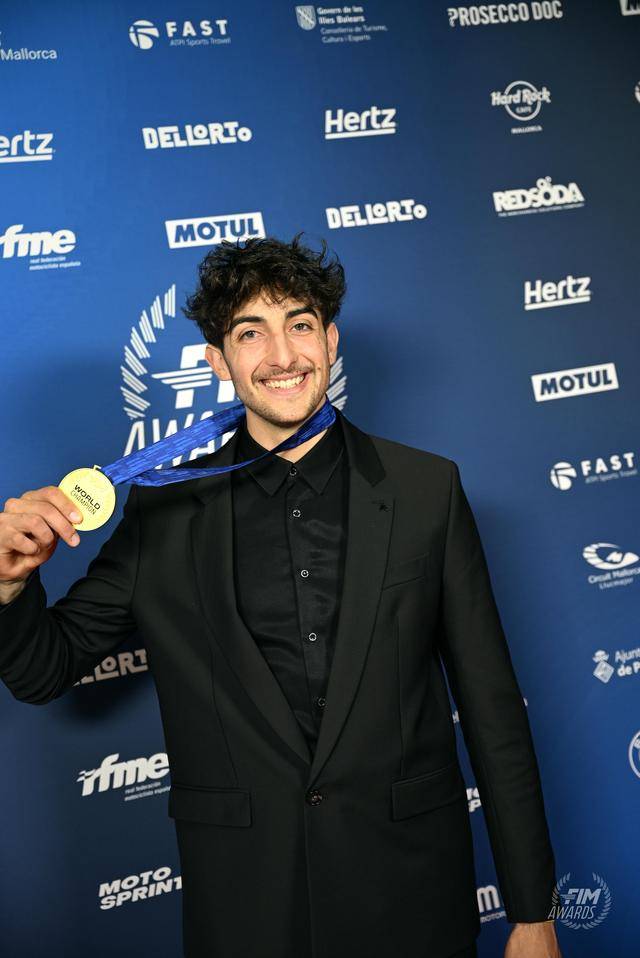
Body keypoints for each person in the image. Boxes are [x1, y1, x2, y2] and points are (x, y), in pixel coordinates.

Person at [0, 234, 561, 958]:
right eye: (250, 333)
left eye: (299, 324)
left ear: (330, 340)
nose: (283, 355)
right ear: (218, 361)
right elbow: (43, 671)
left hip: (411, 895)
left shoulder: (427, 489)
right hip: (246, 907)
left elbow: (492, 711)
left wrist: (532, 912)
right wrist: (10, 583)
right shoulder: (163, 514)